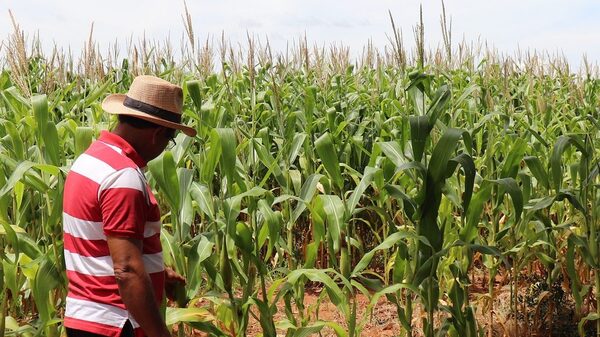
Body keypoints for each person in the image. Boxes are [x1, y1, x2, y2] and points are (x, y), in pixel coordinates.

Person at [62, 75, 196, 337]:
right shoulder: (123, 176)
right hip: (116, 323)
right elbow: (126, 270)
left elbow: (95, 243)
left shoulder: (88, 161)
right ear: (158, 134)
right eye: (169, 140)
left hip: (83, 318)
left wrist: (157, 272)